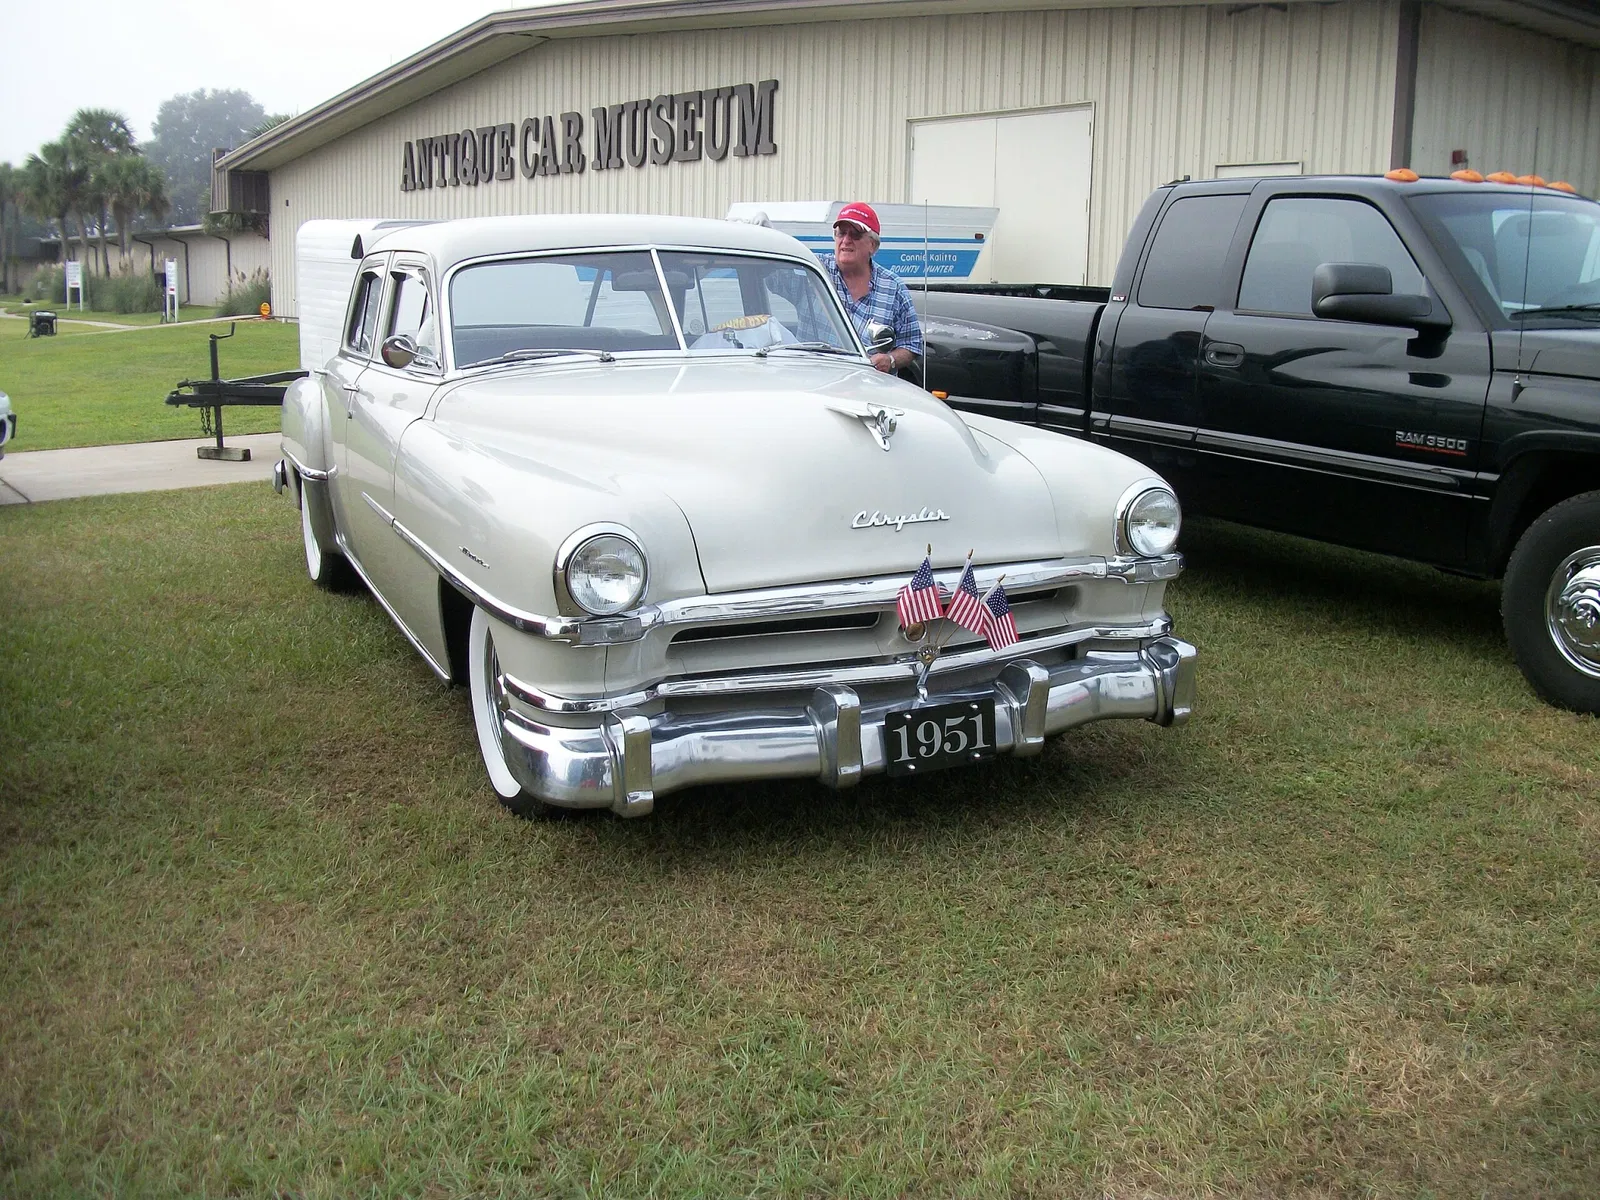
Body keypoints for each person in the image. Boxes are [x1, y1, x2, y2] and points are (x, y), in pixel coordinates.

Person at [820, 202, 924, 375]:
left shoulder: (893, 288)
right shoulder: (815, 271)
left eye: (855, 235)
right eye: (841, 233)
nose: (846, 240)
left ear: (873, 245)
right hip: (817, 383)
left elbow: (912, 344)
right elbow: (769, 275)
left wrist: (890, 360)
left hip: (868, 389)